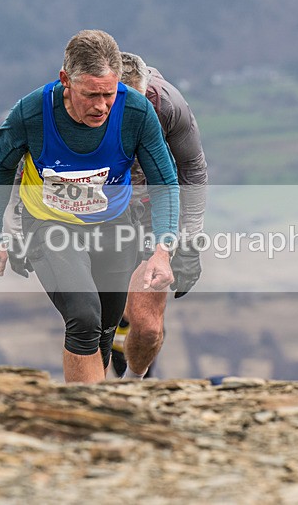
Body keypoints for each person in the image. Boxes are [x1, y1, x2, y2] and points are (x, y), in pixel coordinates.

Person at [0, 30, 179, 384]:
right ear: (65, 81)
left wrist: (163, 250)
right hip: (50, 225)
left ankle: (95, 410)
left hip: (114, 225)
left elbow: (165, 183)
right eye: (91, 94)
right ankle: (93, 419)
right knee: (84, 318)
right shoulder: (32, 113)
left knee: (104, 329)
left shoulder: (135, 112)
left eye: (109, 94)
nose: (102, 106)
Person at [110, 52, 208, 379]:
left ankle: (135, 386)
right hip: (100, 209)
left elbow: (192, 169)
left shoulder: (167, 106)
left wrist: (190, 244)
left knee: (149, 327)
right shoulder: (78, 103)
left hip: (156, 207)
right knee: (97, 314)